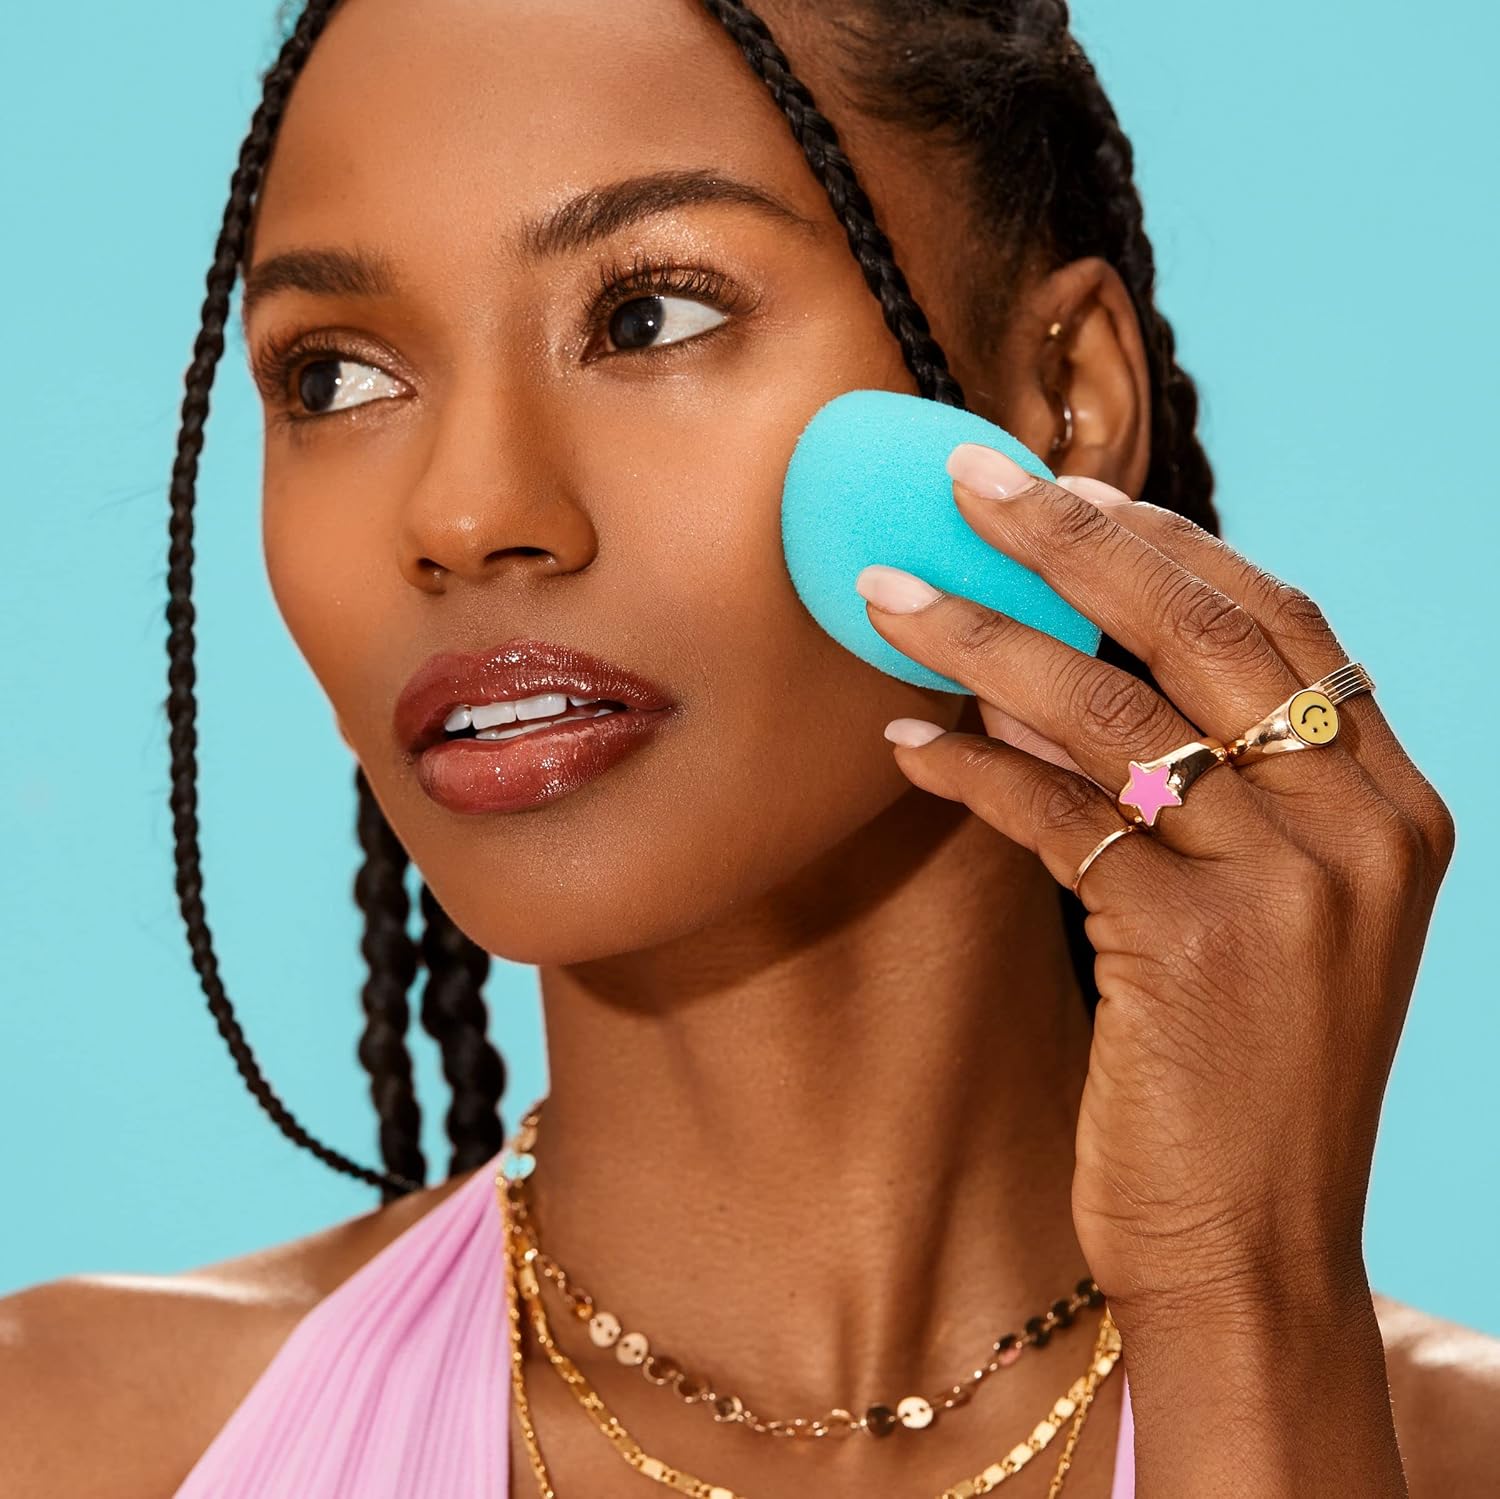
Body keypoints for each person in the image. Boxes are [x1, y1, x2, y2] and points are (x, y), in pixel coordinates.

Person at [3, 1, 1496, 1494]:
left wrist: (1242, 1300)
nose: (461, 514)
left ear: (1067, 396)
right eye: (335, 375)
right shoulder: (65, 1441)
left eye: (649, 314)